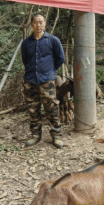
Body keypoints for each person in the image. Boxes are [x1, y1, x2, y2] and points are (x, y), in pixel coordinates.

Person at [21, 13, 66, 148]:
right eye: (36, 22)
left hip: (47, 81)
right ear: (31, 25)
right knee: (33, 109)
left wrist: (49, 71)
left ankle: (56, 135)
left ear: (45, 24)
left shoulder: (53, 40)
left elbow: (60, 59)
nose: (38, 25)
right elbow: (25, 60)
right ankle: (35, 135)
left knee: (51, 108)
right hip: (30, 81)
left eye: (41, 22)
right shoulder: (26, 43)